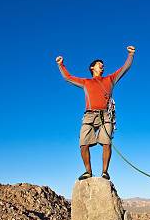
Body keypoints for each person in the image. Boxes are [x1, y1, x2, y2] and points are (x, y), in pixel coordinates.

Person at [56, 46, 135, 180]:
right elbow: (68, 78)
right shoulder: (86, 82)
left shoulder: (110, 79)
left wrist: (131, 55)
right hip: (89, 115)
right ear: (92, 68)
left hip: (105, 115)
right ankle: (88, 171)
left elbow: (124, 69)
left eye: (103, 65)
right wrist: (60, 64)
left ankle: (104, 172)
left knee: (106, 143)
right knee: (83, 143)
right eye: (100, 65)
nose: (102, 66)